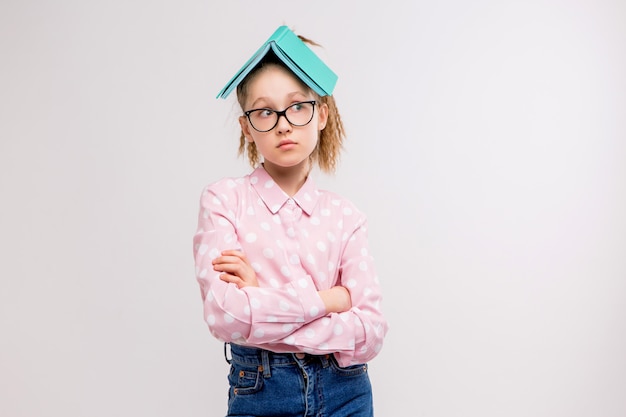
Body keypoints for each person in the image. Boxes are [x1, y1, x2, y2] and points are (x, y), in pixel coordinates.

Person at [193, 26, 388, 417]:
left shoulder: (346, 217)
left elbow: (370, 333)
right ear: (247, 127)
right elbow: (226, 315)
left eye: (298, 106)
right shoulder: (225, 201)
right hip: (262, 391)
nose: (283, 123)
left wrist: (260, 302)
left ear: (321, 115)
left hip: (346, 391)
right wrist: (328, 300)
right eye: (265, 111)